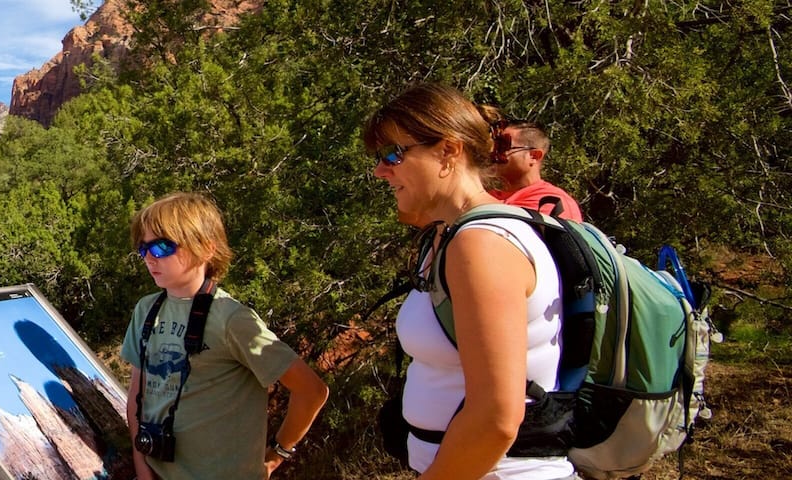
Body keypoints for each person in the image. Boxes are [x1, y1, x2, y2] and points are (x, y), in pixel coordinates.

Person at [366, 83, 577, 479]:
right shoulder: (450, 236)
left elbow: (496, 417)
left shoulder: (481, 245)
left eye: (393, 154)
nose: (381, 170)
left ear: (448, 151)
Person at [120, 192, 328, 480]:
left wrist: (277, 454)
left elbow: (311, 390)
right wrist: (142, 466)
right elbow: (137, 394)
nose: (149, 258)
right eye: (143, 249)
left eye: (163, 247)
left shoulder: (231, 319)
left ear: (206, 248)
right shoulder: (146, 310)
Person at [479, 105, 583, 222]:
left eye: (503, 146)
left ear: (534, 156)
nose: (493, 152)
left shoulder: (552, 201)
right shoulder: (491, 196)